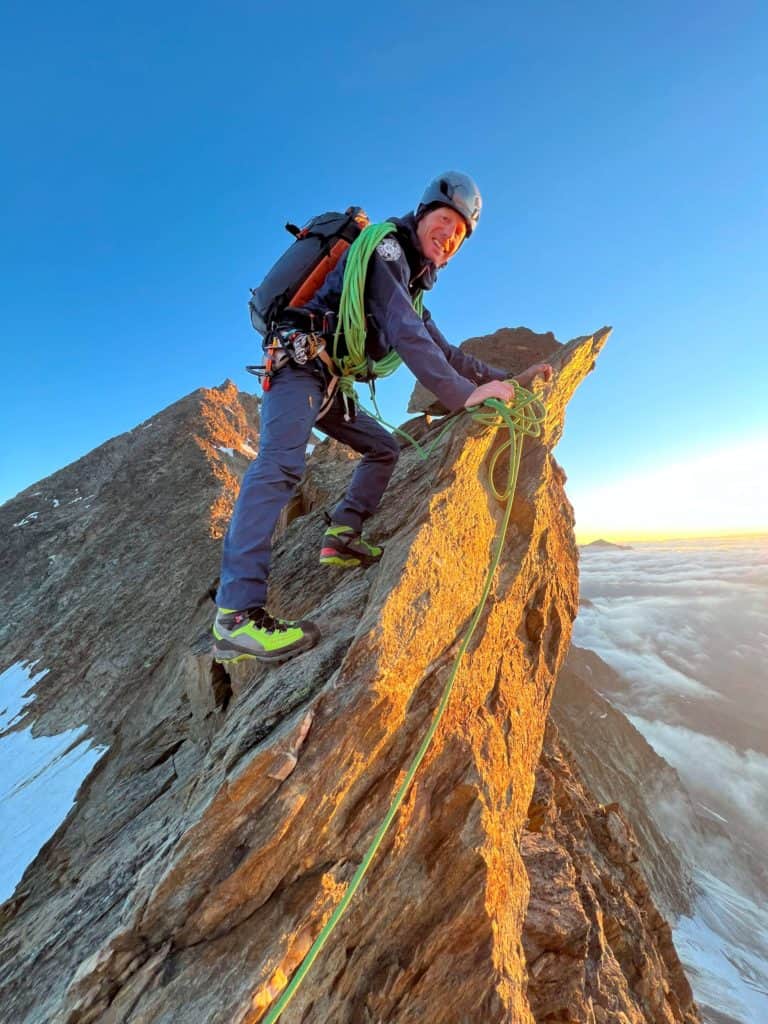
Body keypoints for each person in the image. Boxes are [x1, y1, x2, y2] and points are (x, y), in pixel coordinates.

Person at [213, 172, 552, 663]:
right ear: (422, 214)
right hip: (298, 363)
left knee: (383, 447)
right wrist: (462, 397)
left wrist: (510, 380)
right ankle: (236, 617)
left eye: (460, 233)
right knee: (280, 465)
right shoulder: (387, 249)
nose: (449, 235)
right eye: (444, 221)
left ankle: (343, 536)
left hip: (326, 380)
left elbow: (445, 351)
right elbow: (407, 335)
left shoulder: (409, 286)